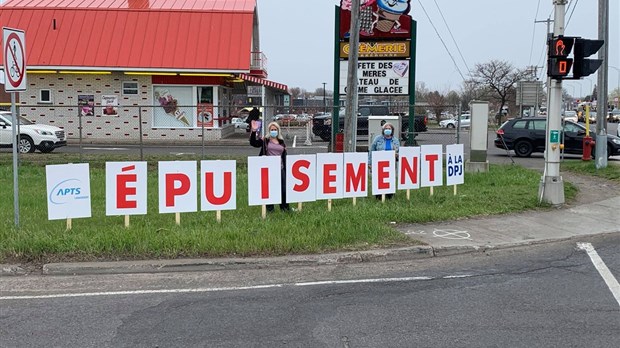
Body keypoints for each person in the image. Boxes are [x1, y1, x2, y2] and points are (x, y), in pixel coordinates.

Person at [249, 120, 290, 212]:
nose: (273, 131)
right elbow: (253, 143)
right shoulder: (265, 140)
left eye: (275, 129)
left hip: (280, 168)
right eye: (272, 129)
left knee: (283, 190)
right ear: (269, 130)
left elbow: (283, 155)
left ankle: (285, 208)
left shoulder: (281, 141)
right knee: (270, 190)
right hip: (269, 169)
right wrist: (254, 131)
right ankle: (270, 209)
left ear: (278, 130)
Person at [369, 122, 400, 200]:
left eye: (389, 129)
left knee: (390, 179)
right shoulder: (377, 139)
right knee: (379, 179)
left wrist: (397, 155)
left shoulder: (395, 140)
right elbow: (372, 150)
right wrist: (369, 163)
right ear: (383, 130)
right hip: (379, 163)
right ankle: (378, 196)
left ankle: (390, 196)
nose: (387, 130)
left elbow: (398, 152)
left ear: (392, 130)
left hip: (391, 164)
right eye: (386, 128)